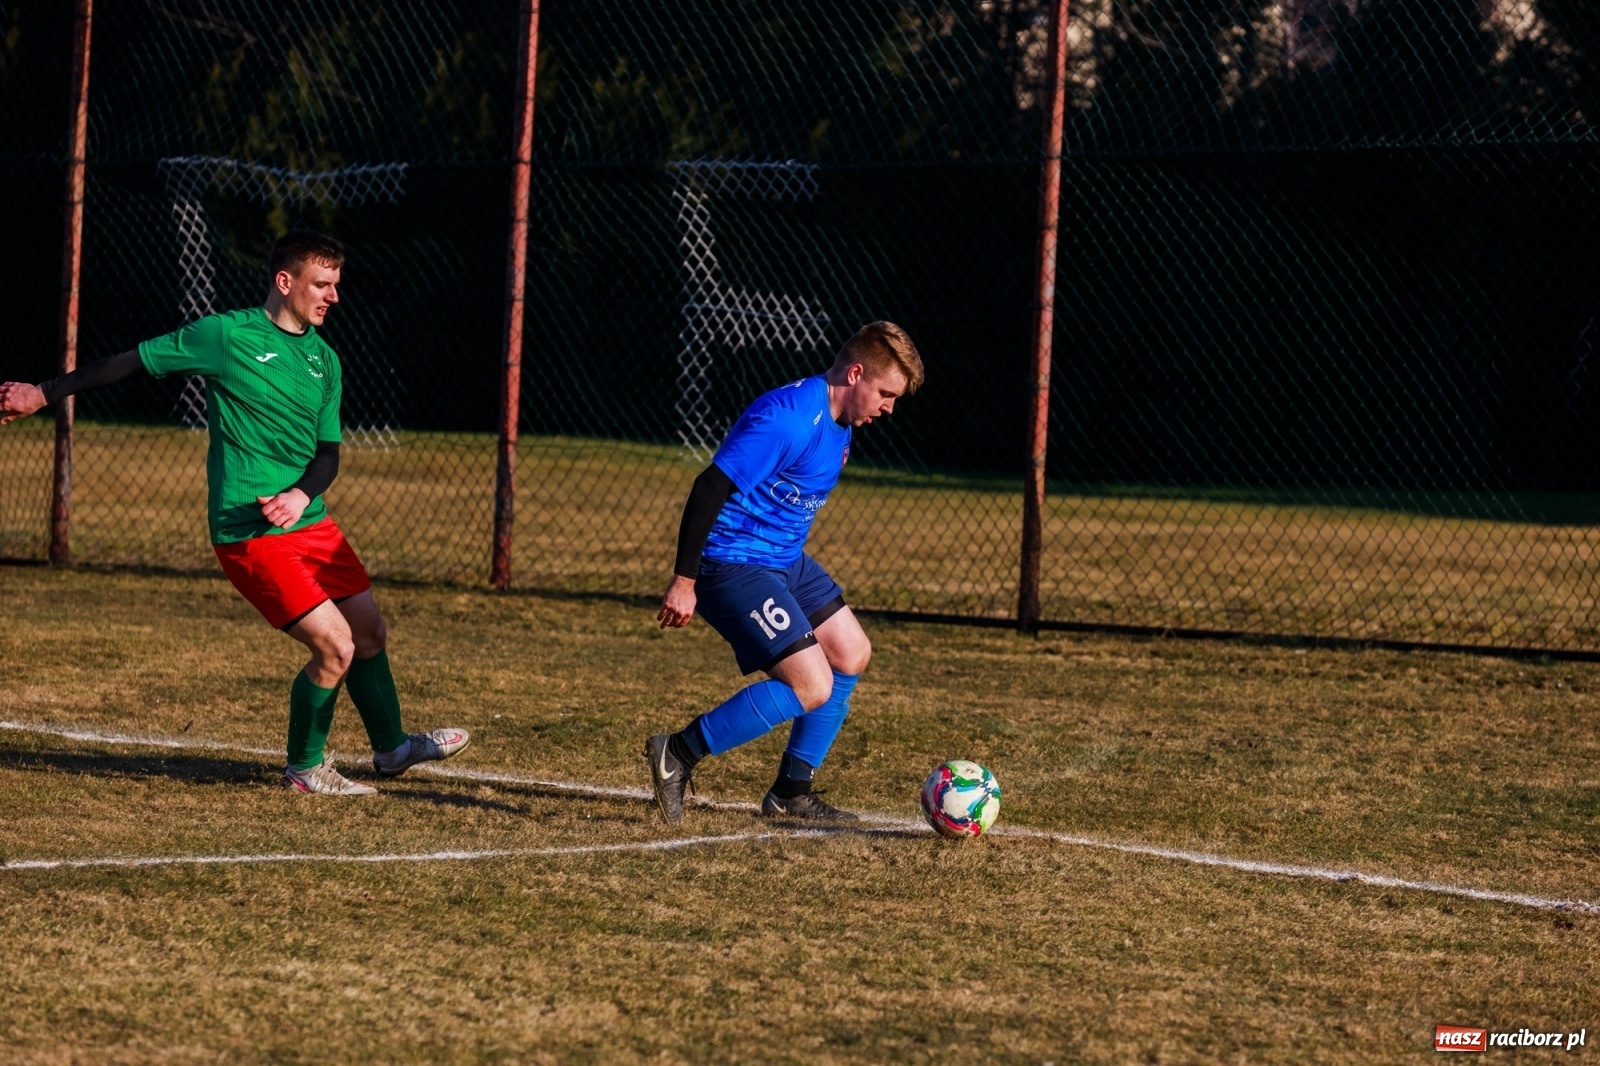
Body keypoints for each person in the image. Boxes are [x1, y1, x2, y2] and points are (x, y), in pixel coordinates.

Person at [0, 230, 468, 795]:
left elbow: (328, 455)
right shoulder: (224, 335)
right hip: (248, 531)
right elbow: (130, 363)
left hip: (310, 523)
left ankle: (392, 750)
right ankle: (304, 769)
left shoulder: (325, 360)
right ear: (284, 282)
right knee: (335, 645)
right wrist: (43, 392)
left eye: (336, 285)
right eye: (322, 284)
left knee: (369, 633)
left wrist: (299, 495)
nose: (333, 297)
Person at [646, 321, 924, 822]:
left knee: (851, 653)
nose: (889, 408)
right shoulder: (790, 418)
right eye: (885, 393)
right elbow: (708, 487)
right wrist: (685, 580)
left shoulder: (841, 423)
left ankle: (791, 792)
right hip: (731, 560)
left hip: (781, 559)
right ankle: (678, 752)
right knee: (810, 684)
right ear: (856, 374)